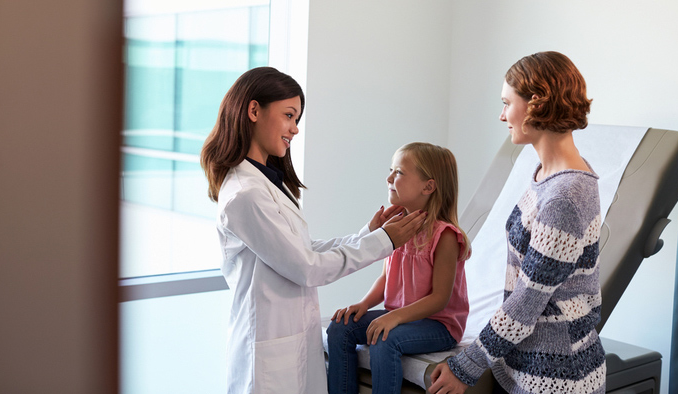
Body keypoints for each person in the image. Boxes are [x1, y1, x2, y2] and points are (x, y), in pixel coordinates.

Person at [199, 66, 427, 394]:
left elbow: (304, 249)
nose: (294, 129)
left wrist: (369, 232)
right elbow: (306, 268)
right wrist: (385, 241)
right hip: (267, 352)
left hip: (291, 343)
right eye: (289, 116)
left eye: (297, 120)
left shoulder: (265, 182)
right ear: (253, 110)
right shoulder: (245, 194)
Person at [428, 51, 605, 394]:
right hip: (528, 366)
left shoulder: (564, 197)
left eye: (507, 103)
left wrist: (464, 367)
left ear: (536, 104)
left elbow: (527, 301)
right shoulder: (545, 175)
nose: (501, 115)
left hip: (557, 378)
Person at [327, 142, 472, 394]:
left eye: (399, 172)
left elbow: (440, 299)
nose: (389, 177)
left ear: (428, 186)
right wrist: (363, 305)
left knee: (385, 339)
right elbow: (386, 277)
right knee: (341, 328)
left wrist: (392, 317)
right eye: (391, 170)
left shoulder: (445, 235)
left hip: (439, 325)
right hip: (403, 317)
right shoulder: (398, 227)